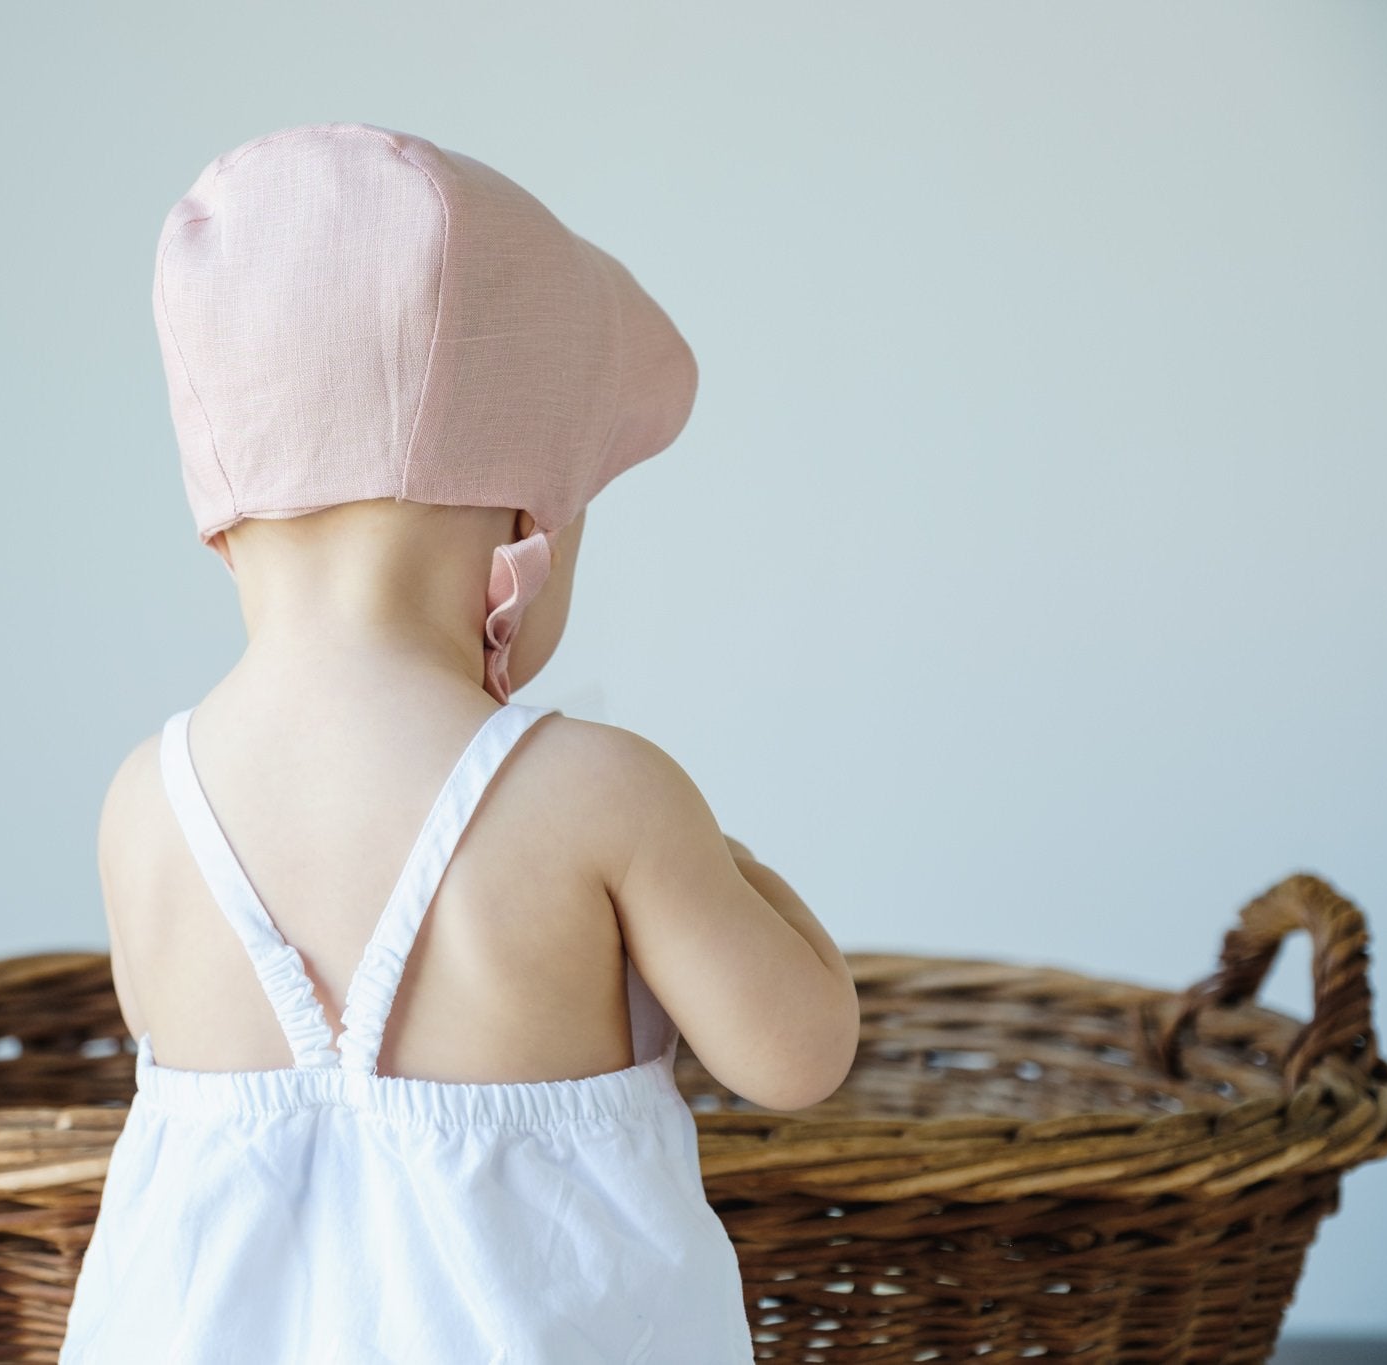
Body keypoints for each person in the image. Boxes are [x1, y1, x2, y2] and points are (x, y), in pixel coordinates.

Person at [59, 121, 858, 1364]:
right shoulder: (602, 797)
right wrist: (734, 874)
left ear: (221, 524)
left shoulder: (141, 806)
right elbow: (800, 1055)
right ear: (526, 528)